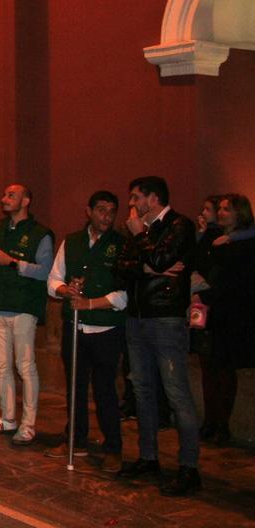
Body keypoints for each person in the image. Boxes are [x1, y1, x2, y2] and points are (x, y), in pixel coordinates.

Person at [115, 176, 200, 495]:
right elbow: (120, 268)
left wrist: (142, 242)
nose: (132, 205)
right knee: (143, 390)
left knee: (176, 392)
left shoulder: (180, 226)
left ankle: (189, 467)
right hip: (137, 318)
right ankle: (148, 457)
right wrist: (149, 268)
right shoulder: (139, 232)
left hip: (166, 318)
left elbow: (163, 259)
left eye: (136, 198)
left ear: (153, 199)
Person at [44, 190, 127, 472]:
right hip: (75, 326)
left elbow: (123, 295)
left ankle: (113, 447)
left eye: (111, 211)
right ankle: (76, 439)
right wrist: (66, 291)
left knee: (105, 388)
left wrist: (90, 303)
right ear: (88, 211)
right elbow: (53, 280)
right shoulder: (73, 241)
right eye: (101, 210)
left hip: (106, 329)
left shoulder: (122, 244)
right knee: (75, 386)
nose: (106, 216)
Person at [0, 183, 54, 446]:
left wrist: (12, 262)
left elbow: (45, 271)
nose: (4, 198)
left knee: (25, 366)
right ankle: (8, 418)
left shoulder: (41, 234)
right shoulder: (2, 227)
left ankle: (28, 425)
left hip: (23, 308)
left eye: (11, 195)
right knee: (1, 366)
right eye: (5, 194)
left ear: (26, 200)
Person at [194, 193, 255, 446]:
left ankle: (222, 424)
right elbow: (198, 262)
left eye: (226, 209)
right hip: (211, 309)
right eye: (219, 208)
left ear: (239, 213)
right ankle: (209, 421)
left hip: (232, 313)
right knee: (208, 367)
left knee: (225, 369)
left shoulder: (246, 244)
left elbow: (237, 280)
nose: (221, 213)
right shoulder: (213, 237)